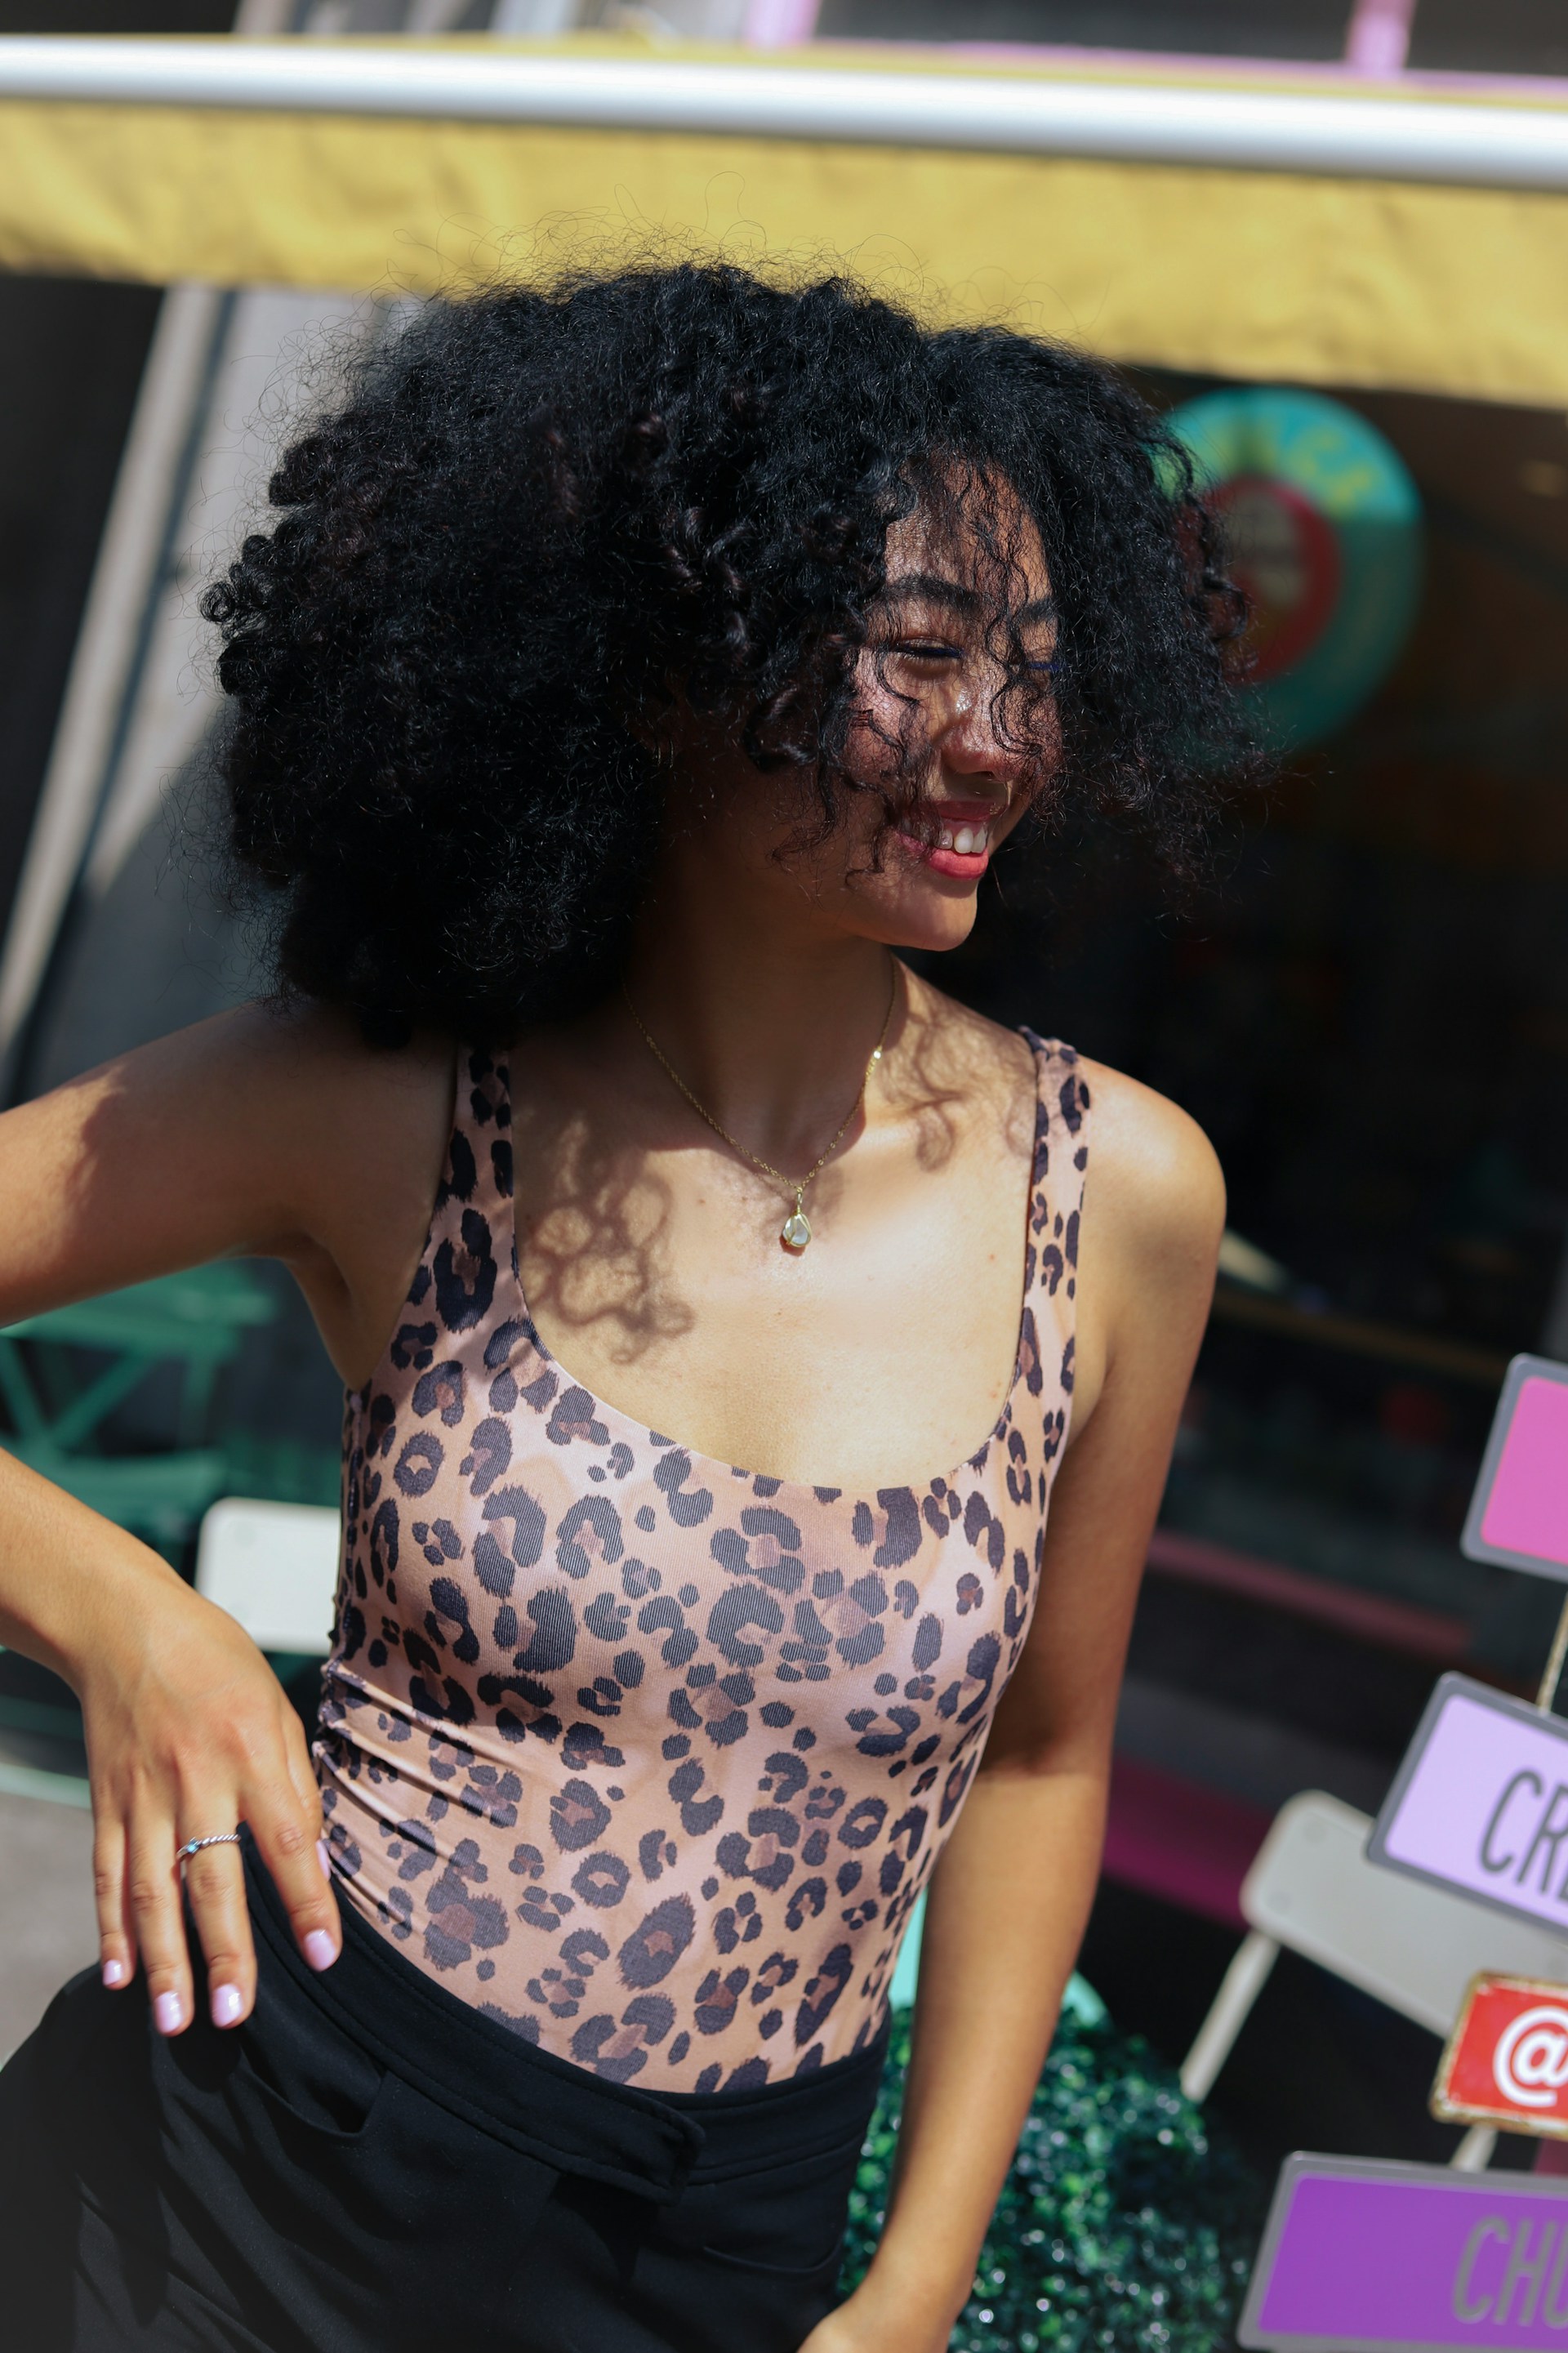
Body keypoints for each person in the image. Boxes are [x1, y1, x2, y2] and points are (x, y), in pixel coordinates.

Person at [0, 263, 1235, 2352]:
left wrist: (918, 2279)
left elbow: (1039, 1761)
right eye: (920, 652)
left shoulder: (1119, 1196)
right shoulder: (390, 1104)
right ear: (670, 666)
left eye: (1035, 668)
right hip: (228, 2183)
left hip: (720, 2260)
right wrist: (126, 1616)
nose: (998, 739)